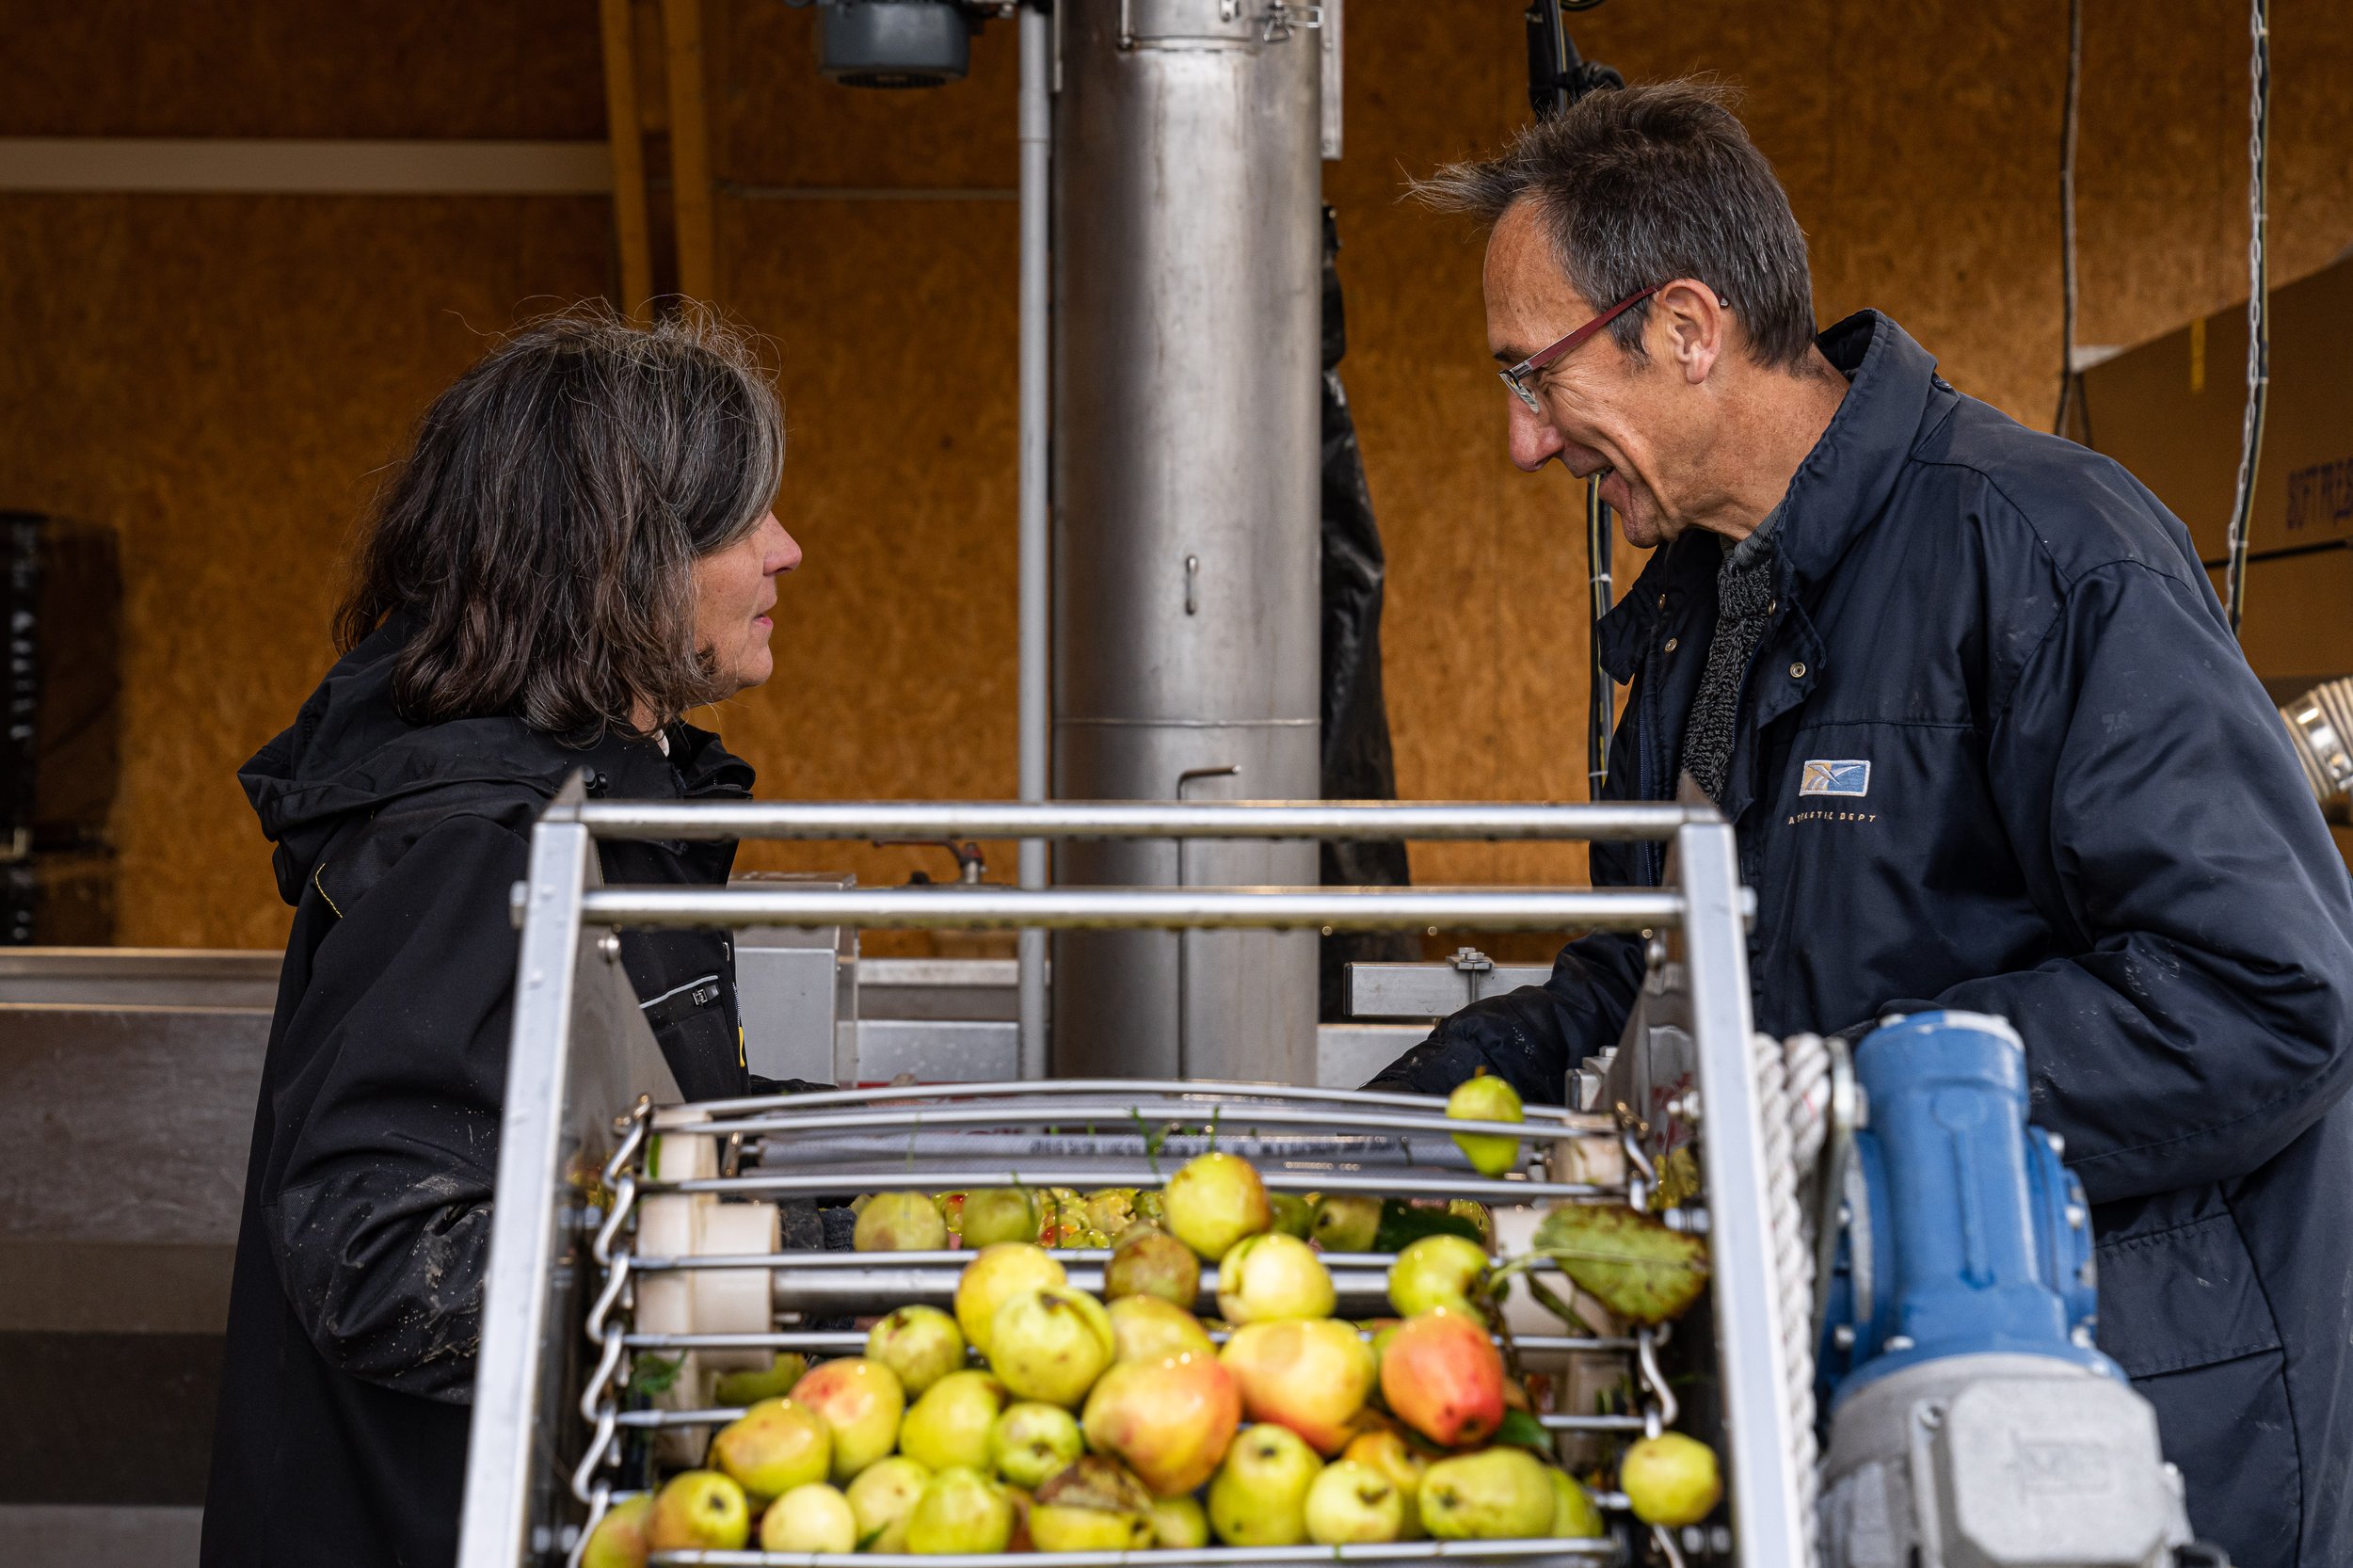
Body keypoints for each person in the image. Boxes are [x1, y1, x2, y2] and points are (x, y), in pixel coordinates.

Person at [1368, 82, 2353, 1567]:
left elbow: (2264, 993)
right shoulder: (1699, 615)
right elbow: (1667, 977)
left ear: (1687, 329)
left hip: (2114, 1428)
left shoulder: (2042, 555)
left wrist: (1841, 1094)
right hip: (1861, 1405)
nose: (1525, 442)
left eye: (1534, 374)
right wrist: (1390, 1125)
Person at [201, 308, 804, 1568]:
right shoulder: (483, 846)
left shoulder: (601, 804)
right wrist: (781, 1251)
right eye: (744, 523)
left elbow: (581, 1138)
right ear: (624, 563)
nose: (787, 553)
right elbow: (380, 1259)